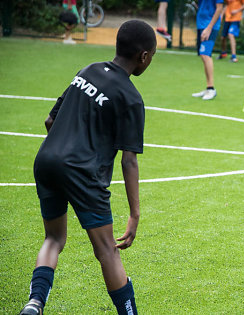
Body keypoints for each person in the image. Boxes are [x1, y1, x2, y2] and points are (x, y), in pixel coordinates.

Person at [19, 20, 156, 314]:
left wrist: (62, 154)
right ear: (144, 57)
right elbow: (129, 160)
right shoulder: (131, 98)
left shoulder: (88, 70)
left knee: (54, 238)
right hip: (82, 172)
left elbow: (49, 121)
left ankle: (35, 302)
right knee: (107, 250)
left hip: (46, 161)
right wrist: (134, 214)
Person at [191, 0, 223, 100]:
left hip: (209, 27)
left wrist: (209, 28)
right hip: (201, 24)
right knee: (203, 55)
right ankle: (208, 87)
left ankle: (211, 89)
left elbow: (219, 9)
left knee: (205, 55)